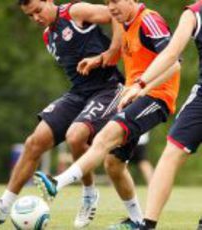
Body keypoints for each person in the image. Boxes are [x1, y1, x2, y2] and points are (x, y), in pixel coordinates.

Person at [0, 0, 124, 228]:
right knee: (34, 142)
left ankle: (90, 195)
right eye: (30, 15)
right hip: (79, 94)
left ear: (49, 1)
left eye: (38, 10)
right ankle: (3, 206)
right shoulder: (48, 37)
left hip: (108, 88)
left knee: (75, 136)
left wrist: (112, 52)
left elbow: (117, 15)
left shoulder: (75, 12)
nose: (36, 18)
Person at [33, 0, 181, 229]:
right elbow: (120, 54)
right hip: (133, 95)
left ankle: (57, 182)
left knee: (102, 138)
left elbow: (174, 64)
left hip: (157, 97)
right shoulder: (124, 24)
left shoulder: (149, 20)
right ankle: (137, 221)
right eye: (107, 2)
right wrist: (99, 60)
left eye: (115, 1)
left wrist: (141, 86)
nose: (111, 7)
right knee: (113, 164)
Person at [112, 0, 202, 229]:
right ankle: (147, 224)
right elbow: (171, 53)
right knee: (171, 153)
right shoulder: (194, 13)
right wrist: (141, 84)